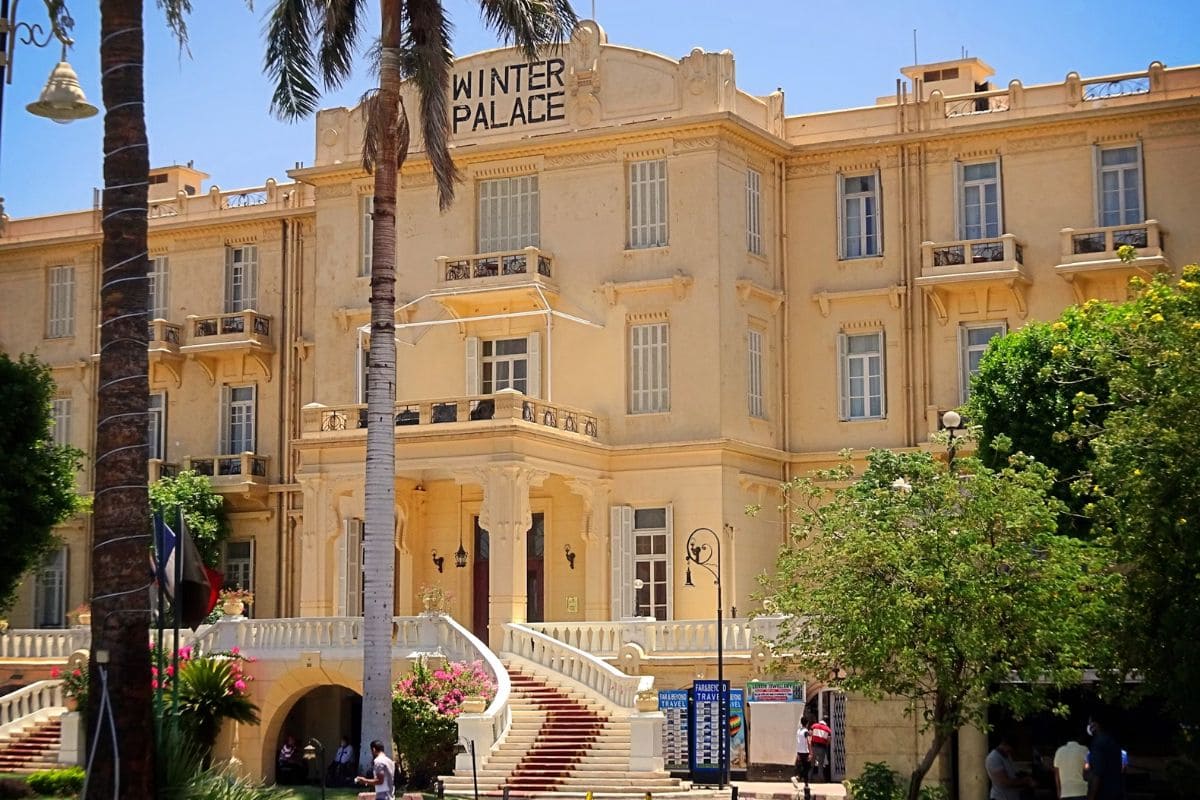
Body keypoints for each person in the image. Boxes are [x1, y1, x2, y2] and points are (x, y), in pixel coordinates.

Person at [1086, 712, 1126, 800]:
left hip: (1103, 793)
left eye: (1089, 723)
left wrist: (1091, 796)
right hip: (1116, 792)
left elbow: (1097, 773)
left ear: (1095, 724)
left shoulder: (1098, 743)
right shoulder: (1112, 741)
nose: (1088, 726)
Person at [985, 733, 1036, 800]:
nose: (1011, 752)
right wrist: (1025, 781)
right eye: (1010, 749)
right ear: (1004, 744)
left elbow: (1012, 773)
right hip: (1000, 797)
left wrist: (1023, 776)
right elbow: (1004, 782)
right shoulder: (994, 758)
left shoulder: (1007, 755)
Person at [1053, 735, 1089, 800]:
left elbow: (1056, 774)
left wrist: (1059, 792)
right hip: (1081, 791)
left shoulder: (1059, 751)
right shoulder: (1085, 750)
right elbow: (1087, 770)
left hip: (1065, 793)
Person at [790, 716, 811, 791]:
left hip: (800, 751)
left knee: (804, 767)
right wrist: (811, 753)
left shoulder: (799, 731)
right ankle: (797, 777)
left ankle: (806, 784)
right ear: (807, 723)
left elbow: (798, 742)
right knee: (807, 768)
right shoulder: (806, 732)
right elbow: (809, 742)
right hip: (805, 752)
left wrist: (797, 753)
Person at [809, 718, 833, 783]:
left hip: (813, 747)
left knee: (812, 763)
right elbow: (829, 740)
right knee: (821, 764)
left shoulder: (814, 726)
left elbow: (810, 734)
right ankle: (821, 779)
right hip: (822, 748)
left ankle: (809, 778)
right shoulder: (828, 729)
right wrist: (826, 745)